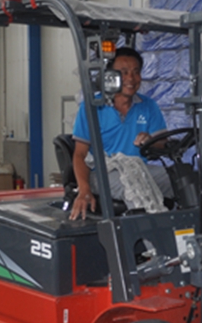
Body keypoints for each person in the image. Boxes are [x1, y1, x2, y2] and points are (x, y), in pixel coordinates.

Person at [69, 46, 173, 220]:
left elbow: (162, 144)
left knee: (180, 178)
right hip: (102, 172)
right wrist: (84, 190)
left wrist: (150, 140)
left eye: (136, 72)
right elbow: (80, 154)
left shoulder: (148, 105)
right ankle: (145, 236)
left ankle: (186, 229)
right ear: (109, 76)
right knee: (133, 185)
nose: (131, 78)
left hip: (139, 167)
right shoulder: (92, 107)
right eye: (123, 73)